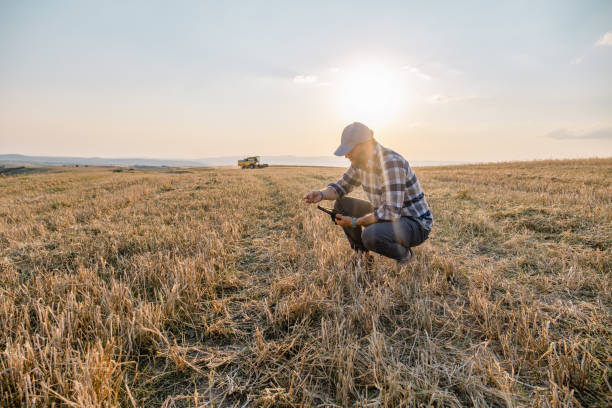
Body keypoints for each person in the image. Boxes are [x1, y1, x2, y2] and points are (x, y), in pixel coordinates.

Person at [303, 122, 433, 266]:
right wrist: (321, 194)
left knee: (370, 235)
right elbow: (340, 187)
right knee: (341, 204)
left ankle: (404, 255)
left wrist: (354, 222)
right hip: (388, 214)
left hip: (415, 223)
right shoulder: (360, 163)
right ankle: (363, 256)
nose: (346, 155)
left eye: (350, 150)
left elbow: (391, 212)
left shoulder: (391, 163)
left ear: (365, 145)